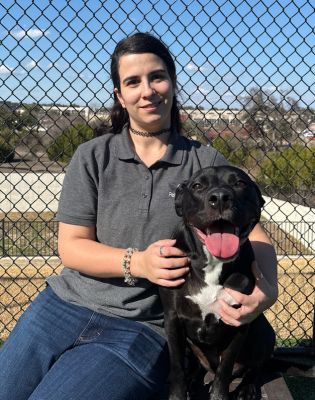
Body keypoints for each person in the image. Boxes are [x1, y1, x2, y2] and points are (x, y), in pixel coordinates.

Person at [0, 32, 277, 400]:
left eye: (157, 77)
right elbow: (71, 247)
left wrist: (267, 291)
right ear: (120, 95)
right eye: (133, 81)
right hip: (61, 306)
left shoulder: (205, 165)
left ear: (173, 84)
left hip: (142, 327)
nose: (147, 91)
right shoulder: (92, 156)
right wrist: (140, 263)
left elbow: (254, 234)